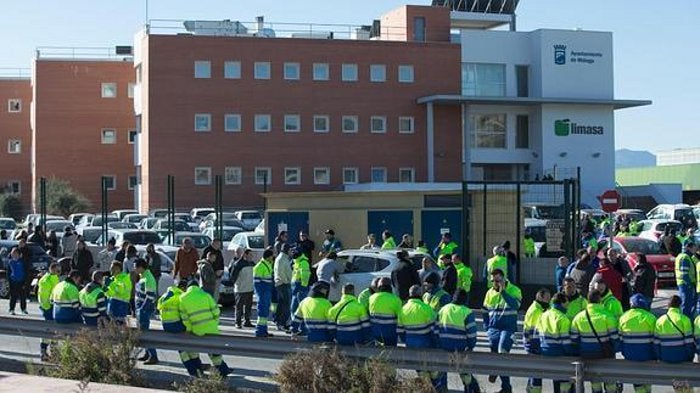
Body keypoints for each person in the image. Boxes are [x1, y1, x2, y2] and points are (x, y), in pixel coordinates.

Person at [178, 281, 231, 377]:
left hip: (196, 331)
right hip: (212, 329)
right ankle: (223, 371)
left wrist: (190, 330)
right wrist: (214, 323)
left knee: (193, 351)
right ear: (197, 287)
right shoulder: (206, 295)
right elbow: (216, 311)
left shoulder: (182, 298)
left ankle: (198, 372)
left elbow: (185, 319)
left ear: (187, 287)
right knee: (215, 353)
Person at [570, 291, 619, 393]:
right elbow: (615, 338)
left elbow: (574, 339)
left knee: (595, 381)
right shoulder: (607, 316)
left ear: (588, 300)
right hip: (605, 354)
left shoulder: (579, 317)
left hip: (587, 354)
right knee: (610, 381)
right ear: (600, 300)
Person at [483, 268, 521, 393]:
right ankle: (496, 372)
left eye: (498, 280)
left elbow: (515, 306)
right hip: (494, 328)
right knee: (495, 355)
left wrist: (503, 292)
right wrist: (487, 327)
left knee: (502, 353)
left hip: (508, 328)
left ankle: (504, 385)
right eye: (493, 280)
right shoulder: (489, 292)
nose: (495, 283)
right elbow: (485, 310)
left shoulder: (514, 290)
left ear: (503, 279)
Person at [397, 285, 441, 391]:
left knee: (421, 371)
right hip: (427, 345)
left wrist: (407, 340)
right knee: (433, 372)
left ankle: (426, 389)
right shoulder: (426, 309)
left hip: (411, 345)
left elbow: (400, 331)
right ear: (420, 295)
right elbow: (434, 331)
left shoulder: (402, 310)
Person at [436, 289, 480, 393]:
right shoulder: (467, 312)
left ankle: (442, 390)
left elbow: (436, 329)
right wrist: (470, 347)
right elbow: (472, 334)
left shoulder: (443, 309)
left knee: (441, 371)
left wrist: (438, 343)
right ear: (465, 300)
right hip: (460, 348)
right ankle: (470, 389)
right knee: (465, 372)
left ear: (453, 298)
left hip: (444, 346)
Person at [536, 293, 574, 393]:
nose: (568, 306)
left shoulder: (543, 315)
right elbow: (566, 343)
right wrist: (573, 353)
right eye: (567, 303)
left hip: (545, 353)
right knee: (565, 383)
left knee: (556, 380)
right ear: (562, 303)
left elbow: (536, 335)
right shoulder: (562, 318)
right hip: (559, 354)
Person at [618, 294, 656, 393]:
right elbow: (655, 339)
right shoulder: (651, 317)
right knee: (647, 378)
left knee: (637, 380)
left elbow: (620, 339)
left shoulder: (623, 317)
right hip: (648, 355)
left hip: (630, 355)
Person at [523, 288, 551, 393]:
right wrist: (535, 349)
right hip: (534, 347)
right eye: (547, 298)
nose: (549, 300)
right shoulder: (535, 311)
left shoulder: (541, 308)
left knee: (534, 374)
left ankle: (531, 389)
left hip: (535, 346)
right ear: (540, 297)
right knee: (536, 374)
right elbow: (531, 333)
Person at [654, 295, 694, 363]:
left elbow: (656, 343)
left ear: (668, 306)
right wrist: (690, 357)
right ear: (680, 306)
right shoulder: (685, 319)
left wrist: (660, 357)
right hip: (681, 356)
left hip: (665, 356)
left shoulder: (660, 320)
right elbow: (689, 342)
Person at [134, 258, 158, 364]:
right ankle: (147, 353)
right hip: (140, 309)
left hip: (144, 309)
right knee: (142, 332)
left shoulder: (148, 278)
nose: (134, 269)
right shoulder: (142, 276)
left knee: (145, 333)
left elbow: (150, 296)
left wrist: (142, 310)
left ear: (141, 267)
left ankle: (153, 356)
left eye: (135, 267)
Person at [368, 277, 402, 346]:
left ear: (379, 287)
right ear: (390, 287)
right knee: (392, 352)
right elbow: (400, 318)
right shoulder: (396, 299)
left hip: (375, 332)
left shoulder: (371, 298)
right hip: (390, 333)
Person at [38, 262, 60, 361]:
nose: (59, 272)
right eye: (58, 270)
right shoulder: (46, 280)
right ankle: (44, 352)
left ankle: (53, 352)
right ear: (52, 269)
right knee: (49, 330)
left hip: (52, 307)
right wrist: (47, 308)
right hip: (49, 308)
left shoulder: (54, 278)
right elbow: (43, 296)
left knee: (54, 330)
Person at [230, 249, 255, 329]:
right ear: (245, 255)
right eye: (250, 255)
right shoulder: (238, 264)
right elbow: (233, 277)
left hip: (249, 288)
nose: (251, 256)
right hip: (240, 289)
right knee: (239, 307)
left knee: (248, 306)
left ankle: (247, 321)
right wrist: (237, 285)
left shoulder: (252, 264)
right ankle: (238, 322)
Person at [253, 249, 275, 337]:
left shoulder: (267, 264)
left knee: (265, 312)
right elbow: (257, 283)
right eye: (272, 257)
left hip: (266, 291)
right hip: (262, 292)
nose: (273, 258)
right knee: (262, 311)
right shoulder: (260, 266)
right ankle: (259, 331)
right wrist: (262, 294)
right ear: (269, 257)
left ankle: (263, 330)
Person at [674, 241, 697, 318]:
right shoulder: (685, 257)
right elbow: (684, 273)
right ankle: (686, 320)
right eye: (694, 248)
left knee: (686, 303)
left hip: (683, 283)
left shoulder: (682, 256)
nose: (695, 250)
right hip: (686, 284)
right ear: (689, 248)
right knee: (686, 303)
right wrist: (689, 284)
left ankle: (686, 318)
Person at [274, 244, 293, 331]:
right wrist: (287, 281)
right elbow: (281, 272)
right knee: (286, 305)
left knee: (282, 305)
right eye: (290, 250)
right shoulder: (282, 259)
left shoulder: (283, 258)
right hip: (283, 284)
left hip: (282, 284)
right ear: (286, 250)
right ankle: (282, 323)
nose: (291, 252)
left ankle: (279, 322)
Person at [290, 249, 311, 316]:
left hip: (300, 286)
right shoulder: (297, 261)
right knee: (294, 307)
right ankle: (294, 322)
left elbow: (305, 276)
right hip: (295, 286)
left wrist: (303, 286)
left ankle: (300, 323)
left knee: (300, 306)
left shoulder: (303, 262)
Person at [7, 248, 27, 315]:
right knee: (13, 296)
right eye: (13, 253)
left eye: (15, 253)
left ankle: (23, 309)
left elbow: (26, 272)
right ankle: (11, 309)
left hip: (21, 281)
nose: (14, 255)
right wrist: (9, 281)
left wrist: (25, 282)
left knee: (23, 297)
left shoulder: (22, 262)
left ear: (19, 254)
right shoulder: (10, 262)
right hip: (13, 281)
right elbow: (8, 272)